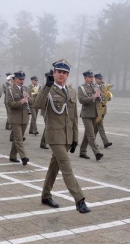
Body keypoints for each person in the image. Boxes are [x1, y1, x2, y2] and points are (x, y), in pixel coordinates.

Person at [35, 59, 90, 213]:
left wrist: (74, 138)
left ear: (68, 75)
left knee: (54, 167)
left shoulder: (71, 92)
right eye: (59, 72)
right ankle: (80, 200)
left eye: (65, 73)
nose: (62, 75)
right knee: (66, 167)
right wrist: (47, 85)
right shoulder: (48, 89)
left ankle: (46, 195)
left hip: (66, 136)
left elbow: (73, 118)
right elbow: (37, 104)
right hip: (54, 135)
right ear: (54, 73)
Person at [78, 70, 103, 161]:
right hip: (86, 114)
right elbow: (81, 100)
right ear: (85, 78)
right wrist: (93, 97)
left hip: (94, 113)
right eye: (89, 77)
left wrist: (99, 96)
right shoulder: (81, 88)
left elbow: (100, 99)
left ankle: (82, 152)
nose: (91, 79)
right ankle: (97, 153)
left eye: (92, 77)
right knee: (91, 135)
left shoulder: (95, 87)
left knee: (87, 134)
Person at [6, 71, 30, 165]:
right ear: (15, 79)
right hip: (15, 118)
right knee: (19, 138)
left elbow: (32, 101)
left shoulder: (26, 89)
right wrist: (21, 102)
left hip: (24, 118)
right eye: (20, 79)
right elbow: (9, 103)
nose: (22, 81)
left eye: (23, 79)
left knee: (17, 138)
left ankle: (12, 156)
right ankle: (23, 157)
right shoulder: (10, 89)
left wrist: (28, 98)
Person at [93, 73, 112, 148]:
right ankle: (105, 142)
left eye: (101, 79)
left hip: (103, 109)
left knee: (96, 127)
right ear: (96, 79)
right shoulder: (93, 87)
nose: (101, 80)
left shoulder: (104, 87)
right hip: (96, 109)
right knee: (100, 125)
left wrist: (107, 95)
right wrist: (101, 94)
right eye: (99, 79)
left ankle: (91, 141)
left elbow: (109, 98)